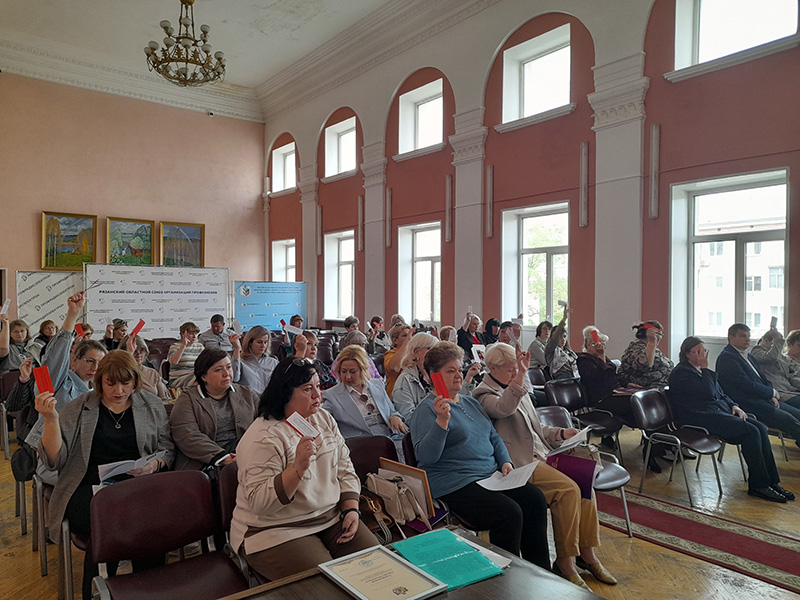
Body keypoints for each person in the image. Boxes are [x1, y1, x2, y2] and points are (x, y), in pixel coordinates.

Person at [474, 343, 615, 590]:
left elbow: (535, 427)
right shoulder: (483, 393)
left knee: (585, 484)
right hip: (519, 461)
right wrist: (521, 377)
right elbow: (503, 409)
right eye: (510, 369)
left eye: (516, 368)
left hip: (542, 453)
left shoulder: (515, 386)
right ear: (492, 368)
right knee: (568, 490)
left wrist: (560, 433)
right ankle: (565, 562)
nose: (515, 372)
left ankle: (587, 554)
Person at [36, 350, 174, 599]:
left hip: (135, 485)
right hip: (87, 488)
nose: (119, 390)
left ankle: (129, 590)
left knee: (143, 520)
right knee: (118, 520)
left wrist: (154, 465)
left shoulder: (150, 404)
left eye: (125, 383)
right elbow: (54, 460)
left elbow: (167, 448)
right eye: (111, 383)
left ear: (135, 380)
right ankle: (119, 590)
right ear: (99, 382)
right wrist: (50, 420)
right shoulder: (80, 407)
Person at [230, 357, 378, 580]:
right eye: (308, 389)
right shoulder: (263, 437)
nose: (318, 395)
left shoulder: (323, 419)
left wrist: (350, 508)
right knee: (328, 585)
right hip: (275, 530)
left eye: (318, 386)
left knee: (377, 569)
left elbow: (344, 466)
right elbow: (260, 503)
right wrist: (297, 469)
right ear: (285, 393)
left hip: (329, 517)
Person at [409, 342, 550, 570]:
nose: (458, 375)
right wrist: (442, 422)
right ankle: (509, 576)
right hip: (455, 482)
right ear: (433, 376)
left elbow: (493, 436)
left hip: (488, 476)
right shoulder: (426, 410)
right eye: (450, 371)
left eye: (459, 369)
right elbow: (426, 457)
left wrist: (505, 461)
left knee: (534, 499)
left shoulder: (470, 402)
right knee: (509, 513)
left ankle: (540, 571)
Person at [669, 336, 793, 503]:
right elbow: (708, 394)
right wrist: (705, 369)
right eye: (697, 352)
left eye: (703, 350)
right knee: (751, 432)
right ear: (686, 354)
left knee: (760, 428)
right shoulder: (681, 373)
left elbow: (721, 394)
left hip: (718, 412)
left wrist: (735, 406)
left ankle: (772, 481)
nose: (702, 354)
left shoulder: (701, 370)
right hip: (700, 417)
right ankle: (759, 485)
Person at [170, 348, 258, 470]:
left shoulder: (246, 394)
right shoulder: (188, 399)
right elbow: (187, 436)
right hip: (205, 460)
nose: (226, 373)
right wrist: (223, 457)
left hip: (245, 453)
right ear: (203, 376)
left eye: (229, 367)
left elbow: (264, 422)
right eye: (218, 370)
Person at [716, 323, 800, 447]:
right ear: (731, 338)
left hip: (764, 398)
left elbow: (762, 378)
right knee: (789, 420)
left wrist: (771, 394)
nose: (747, 339)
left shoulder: (748, 355)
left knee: (797, 415)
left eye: (748, 336)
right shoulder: (727, 358)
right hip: (749, 402)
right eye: (743, 336)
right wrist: (771, 392)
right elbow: (745, 384)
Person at [322, 346, 408, 454]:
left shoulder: (378, 384)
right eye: (343, 371)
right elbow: (322, 421)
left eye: (353, 372)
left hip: (391, 437)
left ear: (363, 370)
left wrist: (395, 417)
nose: (347, 376)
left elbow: (392, 411)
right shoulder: (331, 395)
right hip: (360, 445)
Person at [392, 332, 439, 420]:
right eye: (430, 349)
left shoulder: (437, 375)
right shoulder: (405, 380)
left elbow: (451, 403)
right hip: (424, 425)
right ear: (416, 352)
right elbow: (409, 418)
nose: (436, 353)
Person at [618, 321, 673, 390]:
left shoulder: (652, 349)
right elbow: (645, 366)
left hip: (662, 387)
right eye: (660, 334)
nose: (660, 338)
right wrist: (652, 342)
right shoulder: (636, 349)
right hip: (650, 389)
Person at [751, 328, 800, 405]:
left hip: (790, 391)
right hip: (779, 393)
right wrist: (778, 339)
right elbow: (771, 358)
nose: (778, 347)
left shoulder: (779, 357)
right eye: (776, 344)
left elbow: (791, 376)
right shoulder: (757, 351)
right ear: (766, 341)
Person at [232, 325, 279, 396]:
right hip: (249, 400)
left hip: (270, 399)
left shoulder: (273, 362)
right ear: (250, 343)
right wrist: (237, 349)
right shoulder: (240, 361)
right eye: (259, 342)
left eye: (265, 342)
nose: (263, 346)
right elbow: (234, 379)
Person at [120, 334, 168, 400]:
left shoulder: (153, 373)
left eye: (142, 350)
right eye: (135, 351)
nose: (138, 354)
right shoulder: (120, 373)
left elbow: (163, 399)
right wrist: (129, 355)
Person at [167, 321, 204, 389]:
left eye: (196, 333)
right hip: (179, 378)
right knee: (202, 380)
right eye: (191, 334)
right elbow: (174, 362)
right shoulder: (175, 347)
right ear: (183, 334)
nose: (194, 336)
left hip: (195, 375)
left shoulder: (200, 347)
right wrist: (183, 345)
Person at [545, 308, 578, 380]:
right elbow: (555, 337)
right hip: (561, 377)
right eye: (560, 337)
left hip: (574, 374)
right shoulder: (551, 349)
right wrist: (564, 319)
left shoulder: (568, 351)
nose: (563, 339)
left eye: (565, 337)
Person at [383, 322, 412, 399]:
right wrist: (407, 342)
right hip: (396, 398)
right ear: (395, 340)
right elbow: (394, 368)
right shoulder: (390, 354)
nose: (410, 338)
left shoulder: (416, 354)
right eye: (405, 335)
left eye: (411, 335)